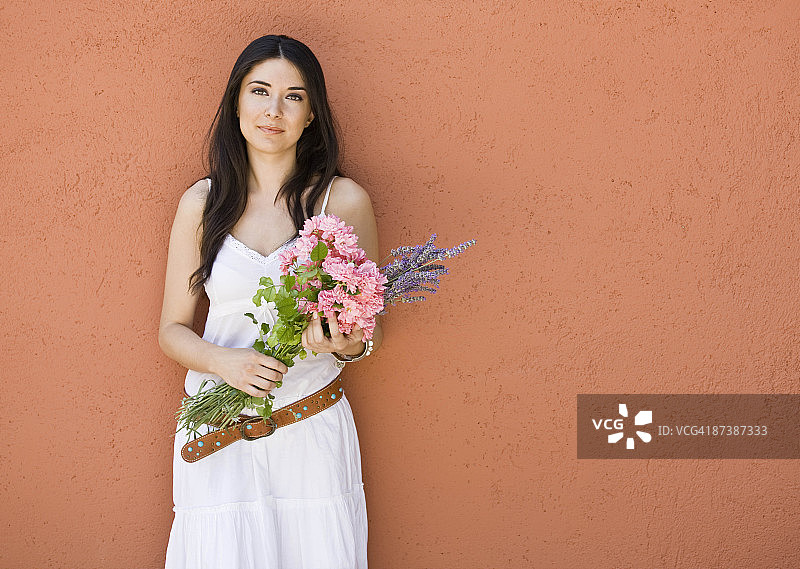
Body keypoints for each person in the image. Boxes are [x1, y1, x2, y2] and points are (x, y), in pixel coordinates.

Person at [159, 34, 381, 569]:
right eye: (260, 91)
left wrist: (346, 342)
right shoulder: (202, 204)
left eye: (294, 97)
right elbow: (171, 329)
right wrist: (222, 362)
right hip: (219, 432)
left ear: (312, 115)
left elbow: (365, 331)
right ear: (237, 103)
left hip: (311, 428)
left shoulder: (343, 201)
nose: (273, 111)